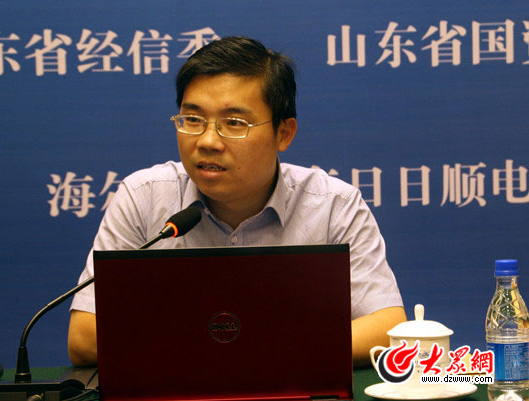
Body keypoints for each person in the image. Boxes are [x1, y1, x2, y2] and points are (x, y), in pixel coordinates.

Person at [68, 36, 406, 367]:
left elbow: (389, 329)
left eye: (234, 123)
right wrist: (253, 349)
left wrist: (246, 349)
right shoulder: (143, 197)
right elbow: (84, 336)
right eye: (193, 119)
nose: (208, 141)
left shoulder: (334, 206)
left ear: (284, 133)